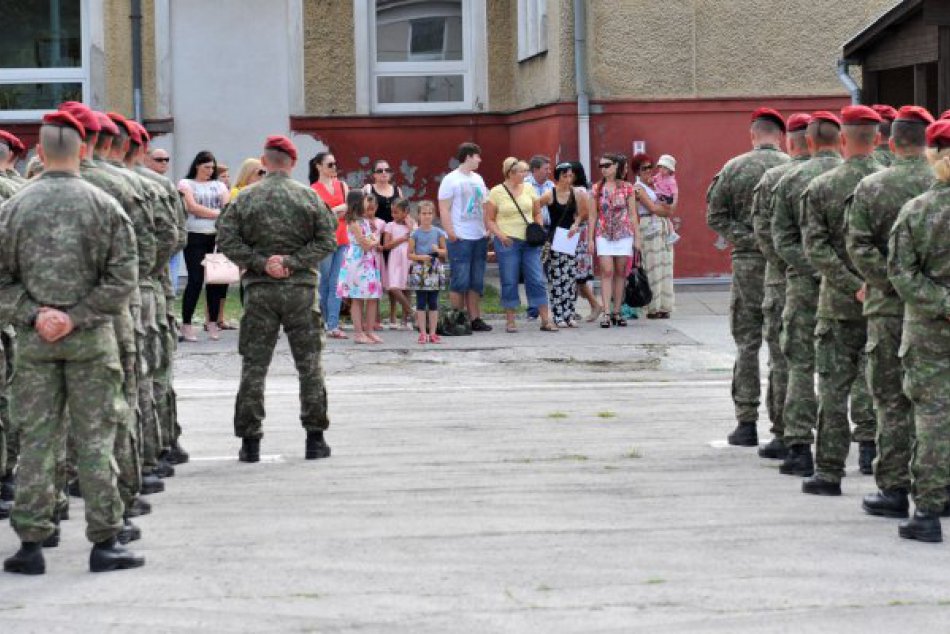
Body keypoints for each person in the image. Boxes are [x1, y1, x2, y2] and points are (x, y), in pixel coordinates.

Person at [0, 112, 144, 575]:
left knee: (37, 440)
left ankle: (31, 543)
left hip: (36, 342)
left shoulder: (13, 208)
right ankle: (105, 541)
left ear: (40, 154)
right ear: (83, 151)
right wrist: (77, 316)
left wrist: (36, 314)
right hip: (91, 341)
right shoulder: (104, 206)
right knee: (96, 439)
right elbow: (124, 275)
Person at [216, 135, 337, 464]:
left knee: (254, 367)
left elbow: (225, 237)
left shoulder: (245, 199)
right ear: (293, 163)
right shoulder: (309, 198)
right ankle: (315, 439)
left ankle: (249, 443)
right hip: (300, 291)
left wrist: (260, 262)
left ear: (264, 162)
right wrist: (293, 262)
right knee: (309, 365)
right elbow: (328, 239)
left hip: (260, 291)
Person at [848, 106, 935, 518]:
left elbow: (859, 246)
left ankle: (895, 489)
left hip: (886, 306)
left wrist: (889, 282)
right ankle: (937, 488)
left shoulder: (872, 186)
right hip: (935, 312)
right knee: (936, 404)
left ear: (892, 141)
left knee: (890, 402)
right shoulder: (935, 184)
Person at [799, 105, 884, 496]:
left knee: (833, 388)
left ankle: (830, 471)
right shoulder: (891, 185)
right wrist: (875, 283)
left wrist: (851, 283)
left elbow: (815, 249)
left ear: (844, 139)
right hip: (886, 302)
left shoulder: (821, 187)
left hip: (838, 301)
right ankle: (876, 456)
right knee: (883, 386)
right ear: (879, 140)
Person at [706, 108, 790, 448]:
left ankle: (746, 422)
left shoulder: (734, 167)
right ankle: (784, 427)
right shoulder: (792, 167)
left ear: (753, 135)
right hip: (784, 265)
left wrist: (748, 239)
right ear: (780, 136)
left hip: (747, 265)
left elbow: (715, 216)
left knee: (747, 343)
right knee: (781, 344)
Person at [887, 118, 950, 543]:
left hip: (929, 330)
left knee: (931, 419)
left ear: (932, 156)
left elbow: (901, 274)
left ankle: (928, 511)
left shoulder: (917, 211)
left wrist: (943, 303)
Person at [770, 111, 842, 476]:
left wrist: (809, 268)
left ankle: (799, 447)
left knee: (800, 363)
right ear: (840, 140)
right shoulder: (867, 176)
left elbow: (778, 238)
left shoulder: (791, 179)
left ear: (808, 142)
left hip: (801, 284)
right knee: (852, 369)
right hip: (854, 289)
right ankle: (865, 448)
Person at [750, 113, 813, 459]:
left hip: (785, 278)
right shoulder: (852, 176)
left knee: (787, 359)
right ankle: (865, 443)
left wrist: (793, 266)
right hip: (843, 283)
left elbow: (766, 235)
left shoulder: (777, 179)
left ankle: (787, 434)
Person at [484, 157, 557, 333]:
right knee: (509, 280)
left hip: (530, 241)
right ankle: (510, 320)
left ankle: (545, 319)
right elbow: (489, 219)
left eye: (525, 171)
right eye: (521, 171)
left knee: (537, 279)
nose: (525, 174)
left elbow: (537, 211)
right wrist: (500, 236)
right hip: (507, 241)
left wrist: (538, 227)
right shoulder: (496, 192)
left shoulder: (529, 188)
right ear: (510, 173)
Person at [438, 142, 492, 332]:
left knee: (476, 280)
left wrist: (488, 228)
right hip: (460, 235)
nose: (480, 160)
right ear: (468, 156)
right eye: (477, 156)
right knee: (460, 280)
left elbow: (485, 205)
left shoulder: (478, 178)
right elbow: (443, 208)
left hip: (479, 235)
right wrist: (450, 232)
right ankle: (457, 318)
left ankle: (475, 318)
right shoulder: (451, 180)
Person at [178, 150, 230, 342]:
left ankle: (213, 322)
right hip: (194, 235)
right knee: (195, 280)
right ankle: (186, 323)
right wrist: (217, 213)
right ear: (197, 166)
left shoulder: (219, 185)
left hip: (216, 237)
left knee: (215, 281)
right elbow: (192, 207)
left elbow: (227, 207)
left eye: (212, 168)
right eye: (206, 167)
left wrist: (213, 213)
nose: (210, 171)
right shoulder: (186, 183)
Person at [590, 153, 640, 328]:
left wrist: (637, 239)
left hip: (623, 233)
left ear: (616, 166)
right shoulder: (596, 188)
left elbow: (633, 214)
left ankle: (617, 312)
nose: (603, 169)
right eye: (601, 166)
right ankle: (606, 313)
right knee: (606, 271)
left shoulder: (628, 187)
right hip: (603, 233)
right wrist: (590, 239)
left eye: (607, 165)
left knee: (620, 272)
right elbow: (593, 215)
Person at [538, 162, 587, 327]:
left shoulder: (576, 193)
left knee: (570, 277)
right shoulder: (550, 194)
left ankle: (570, 313)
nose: (568, 179)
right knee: (557, 278)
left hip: (570, 238)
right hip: (554, 239)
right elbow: (535, 207)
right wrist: (538, 224)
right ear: (558, 177)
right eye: (565, 176)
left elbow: (582, 213)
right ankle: (558, 314)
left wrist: (576, 223)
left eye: (570, 175)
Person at [310, 151, 350, 339]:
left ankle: (332, 324)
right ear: (319, 166)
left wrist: (333, 212)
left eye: (335, 164)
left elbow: (349, 209)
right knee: (324, 282)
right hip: (324, 240)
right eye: (330, 165)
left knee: (337, 283)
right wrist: (336, 210)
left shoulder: (342, 186)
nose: (334, 168)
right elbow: (316, 217)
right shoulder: (313, 189)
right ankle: (324, 321)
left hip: (343, 238)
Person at [336, 191, 384, 344]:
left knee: (372, 297)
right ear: (358, 202)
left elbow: (370, 240)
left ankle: (369, 331)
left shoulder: (364, 221)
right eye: (364, 200)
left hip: (368, 261)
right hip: (357, 262)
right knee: (357, 297)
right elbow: (365, 244)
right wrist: (374, 241)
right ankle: (358, 333)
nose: (367, 202)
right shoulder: (354, 223)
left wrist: (372, 241)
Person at [633, 154, 676, 319]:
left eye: (650, 167)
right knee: (652, 266)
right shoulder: (638, 188)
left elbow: (670, 204)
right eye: (644, 168)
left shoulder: (655, 184)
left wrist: (666, 209)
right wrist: (666, 210)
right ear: (637, 171)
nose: (649, 171)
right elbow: (652, 208)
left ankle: (665, 306)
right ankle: (652, 307)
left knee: (665, 264)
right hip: (649, 227)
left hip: (663, 227)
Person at [408, 201, 448, 343]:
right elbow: (409, 254)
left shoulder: (439, 232)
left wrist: (438, 250)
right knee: (420, 301)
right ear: (418, 215)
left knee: (433, 302)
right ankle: (422, 333)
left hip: (434, 269)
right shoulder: (415, 234)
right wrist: (420, 257)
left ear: (433, 215)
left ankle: (433, 332)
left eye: (430, 213)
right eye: (424, 213)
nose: (427, 216)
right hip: (420, 270)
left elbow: (445, 252)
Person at [570, 162, 602, 321]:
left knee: (577, 276)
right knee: (575, 276)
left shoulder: (580, 191)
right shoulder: (585, 189)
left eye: (569, 173)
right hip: (577, 235)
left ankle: (595, 304)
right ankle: (575, 308)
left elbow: (585, 214)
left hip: (578, 235)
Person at [525, 155, 555, 320]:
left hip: (550, 230)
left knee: (552, 270)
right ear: (535, 169)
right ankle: (533, 309)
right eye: (545, 168)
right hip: (534, 231)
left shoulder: (551, 186)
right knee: (534, 271)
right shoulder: (526, 185)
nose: (548, 171)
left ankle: (556, 306)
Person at [382, 198, 413, 329]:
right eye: (392, 212)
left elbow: (416, 237)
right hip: (395, 258)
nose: (393, 215)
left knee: (406, 287)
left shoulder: (412, 225)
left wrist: (410, 226)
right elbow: (386, 245)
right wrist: (402, 238)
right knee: (393, 287)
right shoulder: (390, 226)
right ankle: (411, 311)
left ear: (406, 212)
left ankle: (405, 320)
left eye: (397, 212)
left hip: (408, 257)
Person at [362, 158, 403, 225]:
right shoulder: (368, 189)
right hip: (375, 232)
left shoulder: (397, 190)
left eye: (387, 170)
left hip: (393, 233)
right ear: (374, 174)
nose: (384, 172)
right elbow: (359, 210)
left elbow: (403, 211)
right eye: (380, 171)